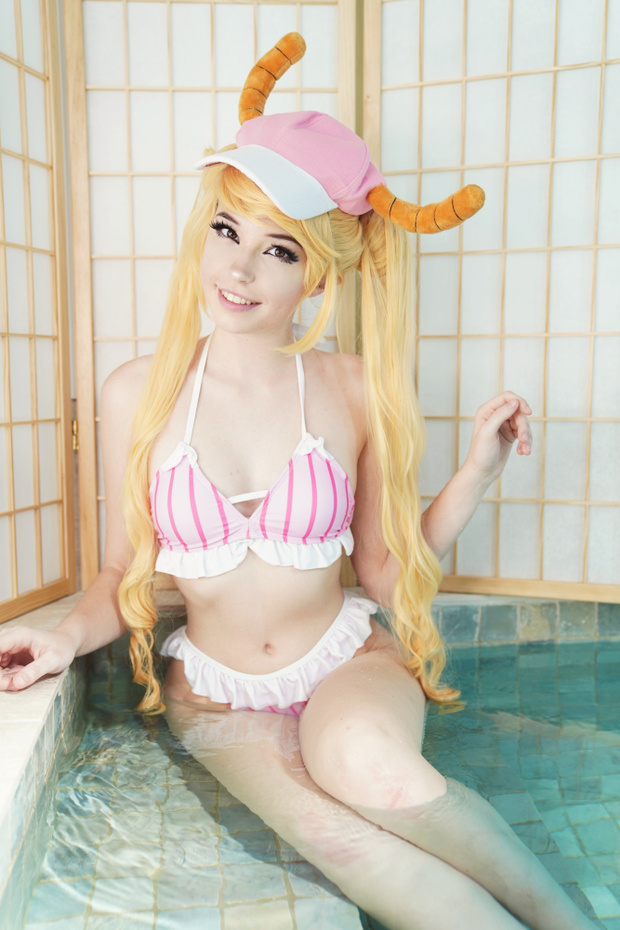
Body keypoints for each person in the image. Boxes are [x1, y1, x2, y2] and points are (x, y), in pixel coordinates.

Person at [0, 34, 594, 930]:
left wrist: (479, 470)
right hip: (214, 691)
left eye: (278, 250)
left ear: (318, 271)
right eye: (227, 231)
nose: (238, 270)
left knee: (373, 771)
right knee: (340, 837)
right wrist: (57, 639)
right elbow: (117, 577)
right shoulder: (138, 395)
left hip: (347, 661)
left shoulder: (351, 386)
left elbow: (388, 574)